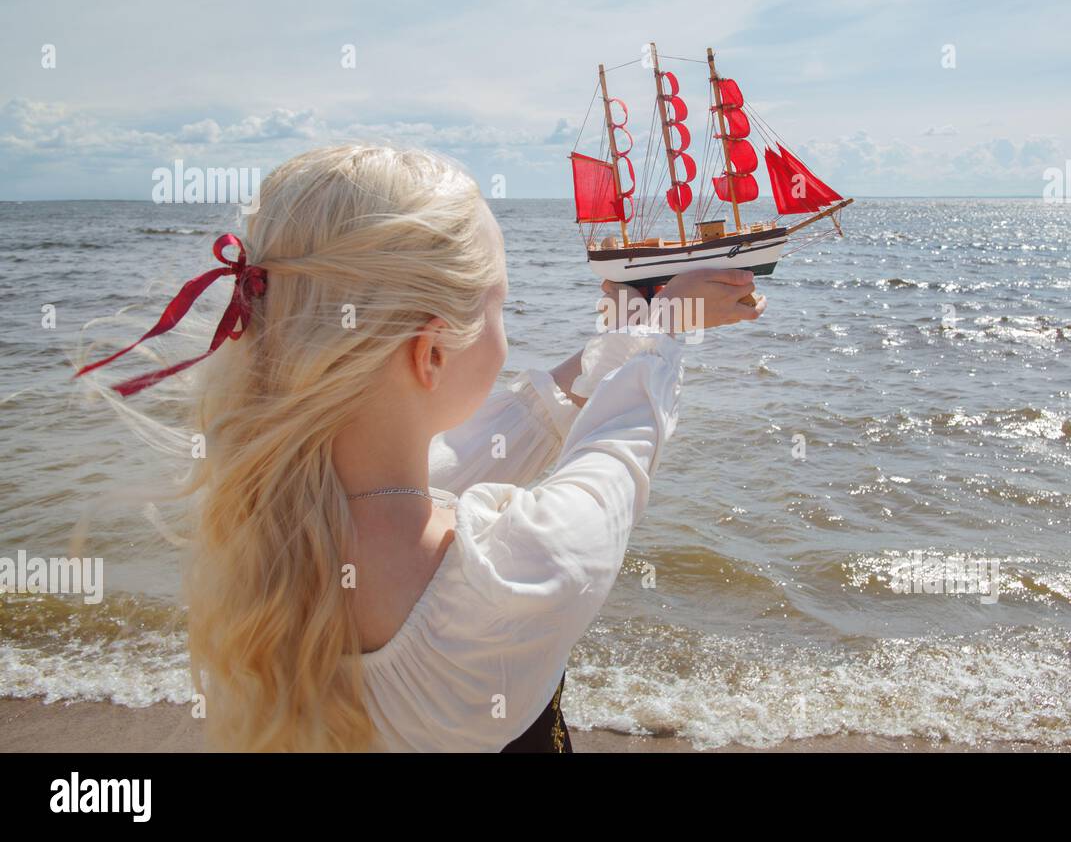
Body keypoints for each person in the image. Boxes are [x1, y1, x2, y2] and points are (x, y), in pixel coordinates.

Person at [75, 144, 764, 751]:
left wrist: (628, 336)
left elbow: (500, 439)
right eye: (500, 308)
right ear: (432, 353)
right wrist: (665, 330)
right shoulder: (501, 582)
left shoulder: (269, 516)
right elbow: (614, 457)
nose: (505, 330)